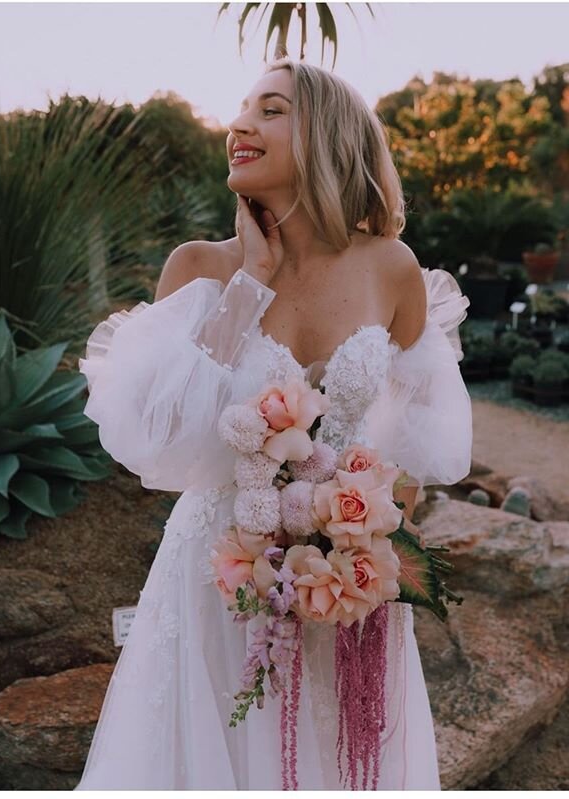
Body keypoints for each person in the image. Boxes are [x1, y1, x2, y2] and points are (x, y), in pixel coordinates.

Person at [74, 58, 472, 790]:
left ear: (326, 135)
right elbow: (162, 446)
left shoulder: (392, 268)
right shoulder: (199, 266)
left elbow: (421, 442)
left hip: (349, 592)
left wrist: (363, 550)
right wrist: (249, 281)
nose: (240, 125)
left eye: (270, 109)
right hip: (220, 574)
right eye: (240, 110)